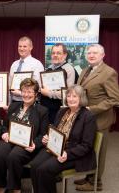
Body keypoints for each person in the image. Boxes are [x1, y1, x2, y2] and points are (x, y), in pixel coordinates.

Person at [30, 85, 97, 193]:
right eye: (69, 96)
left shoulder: (88, 117)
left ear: (81, 98)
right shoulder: (62, 111)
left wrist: (67, 154)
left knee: (45, 170)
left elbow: (86, 146)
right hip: (56, 147)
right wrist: (48, 137)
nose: (71, 99)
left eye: (75, 96)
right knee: (34, 166)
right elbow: (55, 130)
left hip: (74, 153)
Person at [75, 44, 119, 191]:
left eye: (95, 53)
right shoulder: (85, 70)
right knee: (89, 149)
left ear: (103, 55)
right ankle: (89, 176)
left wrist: (91, 109)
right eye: (89, 53)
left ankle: (96, 182)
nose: (91, 55)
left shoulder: (109, 72)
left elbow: (114, 99)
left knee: (98, 151)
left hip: (101, 120)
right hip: (86, 119)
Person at [0, 78, 49, 193]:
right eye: (24, 91)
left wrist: (35, 144)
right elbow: (4, 126)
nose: (26, 95)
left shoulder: (42, 111)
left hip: (28, 143)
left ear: (36, 94)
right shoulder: (13, 106)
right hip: (10, 139)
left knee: (14, 156)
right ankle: (1, 187)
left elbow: (43, 134)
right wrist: (4, 133)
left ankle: (15, 188)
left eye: (29, 92)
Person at [40, 43, 76, 124]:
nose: (55, 55)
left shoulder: (69, 70)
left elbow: (68, 93)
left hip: (59, 111)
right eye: (53, 53)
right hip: (46, 110)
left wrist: (49, 93)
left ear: (65, 55)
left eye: (58, 53)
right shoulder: (48, 69)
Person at [9, 36, 44, 103]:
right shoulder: (14, 64)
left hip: (30, 102)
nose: (21, 49)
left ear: (31, 47)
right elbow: (9, 86)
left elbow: (38, 88)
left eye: (25, 46)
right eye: (20, 46)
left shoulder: (37, 64)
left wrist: (21, 93)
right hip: (14, 102)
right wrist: (9, 103)